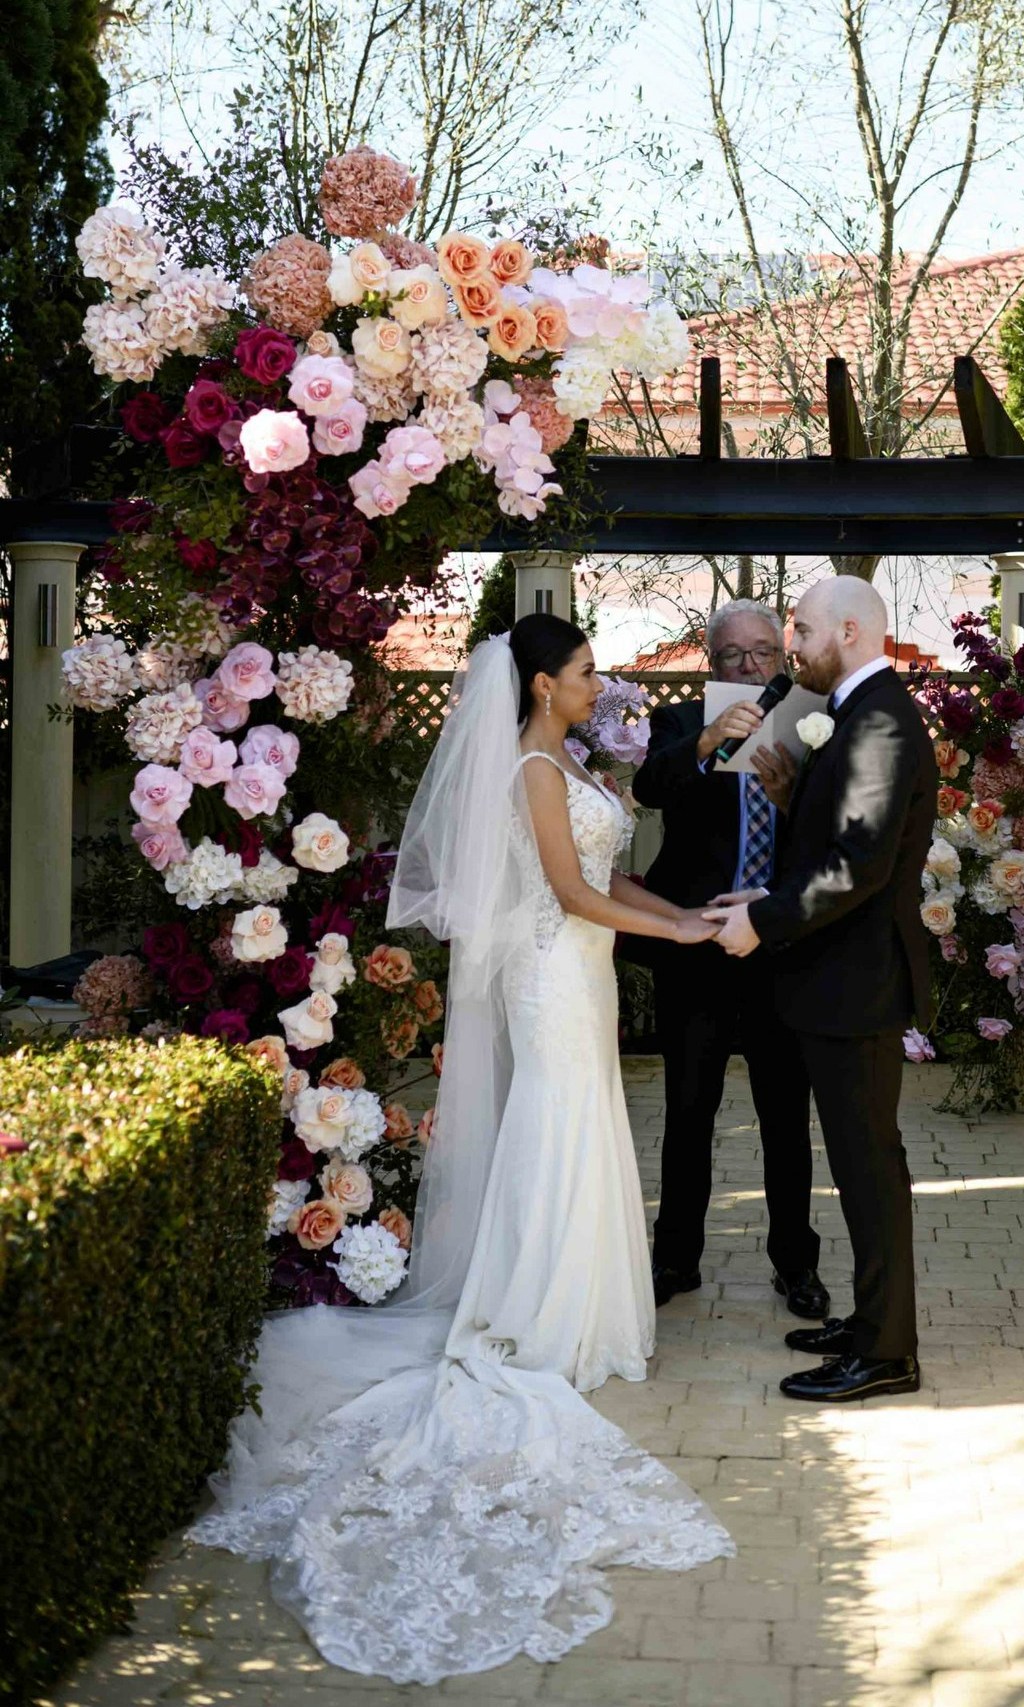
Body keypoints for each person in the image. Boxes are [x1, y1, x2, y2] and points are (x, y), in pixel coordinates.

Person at [188, 614, 732, 1683]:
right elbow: (570, 894)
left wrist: (687, 912)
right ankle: (534, 1309)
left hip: (584, 970)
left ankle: (580, 1308)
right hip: (547, 973)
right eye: (583, 673)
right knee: (558, 1122)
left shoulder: (569, 759)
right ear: (540, 686)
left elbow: (610, 881)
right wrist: (680, 938)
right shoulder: (533, 770)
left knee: (589, 1124)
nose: (598, 684)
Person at [706, 578, 935, 1404]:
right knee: (858, 1164)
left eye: (798, 628)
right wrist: (756, 898)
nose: (791, 642)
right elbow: (829, 844)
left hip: (858, 984)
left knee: (870, 1169)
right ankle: (873, 1322)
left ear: (849, 629)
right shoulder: (855, 711)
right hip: (836, 979)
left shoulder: (879, 719)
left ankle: (886, 1352)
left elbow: (858, 865)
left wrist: (763, 923)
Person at [632, 599, 827, 1319]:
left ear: (783, 655)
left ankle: (796, 1263)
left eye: (763, 653)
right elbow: (649, 787)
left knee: (785, 1114)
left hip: (779, 945)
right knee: (689, 1110)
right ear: (710, 663)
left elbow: (835, 824)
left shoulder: (813, 718)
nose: (750, 667)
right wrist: (707, 738)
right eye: (733, 656)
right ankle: (675, 1257)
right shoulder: (681, 722)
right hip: (699, 946)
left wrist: (793, 792)